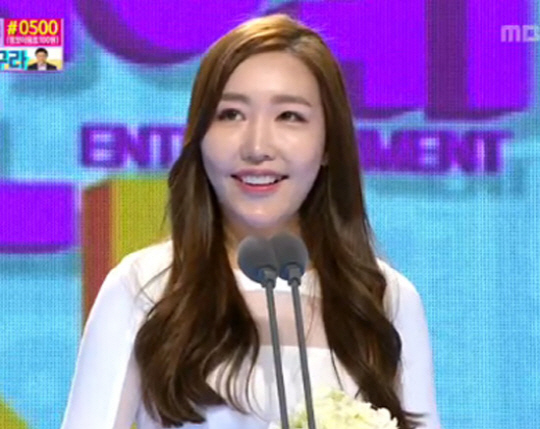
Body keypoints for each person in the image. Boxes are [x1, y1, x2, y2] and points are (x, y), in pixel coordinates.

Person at [60, 13, 443, 429]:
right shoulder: (144, 286)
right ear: (199, 136)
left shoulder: (386, 299)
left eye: (289, 116)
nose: (257, 146)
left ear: (329, 144)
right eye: (231, 115)